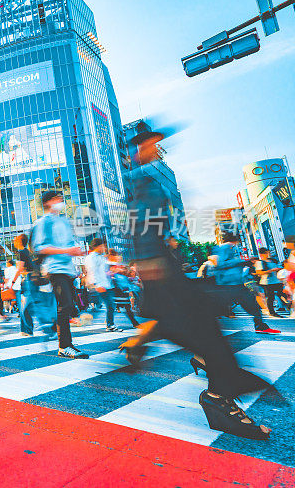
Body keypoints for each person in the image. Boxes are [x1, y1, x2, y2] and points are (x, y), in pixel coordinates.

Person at [120, 127, 273, 440]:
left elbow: (149, 223)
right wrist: (150, 261)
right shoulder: (138, 180)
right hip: (159, 270)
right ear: (140, 146)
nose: (159, 147)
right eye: (153, 142)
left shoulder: (145, 179)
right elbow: (137, 223)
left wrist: (169, 244)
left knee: (198, 321)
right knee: (200, 324)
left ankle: (214, 382)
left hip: (163, 266)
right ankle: (219, 394)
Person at [32, 190, 88, 359]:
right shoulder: (43, 222)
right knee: (64, 306)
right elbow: (40, 248)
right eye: (58, 199)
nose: (61, 202)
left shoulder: (63, 221)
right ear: (48, 202)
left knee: (69, 306)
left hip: (68, 270)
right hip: (55, 269)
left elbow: (70, 246)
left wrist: (76, 253)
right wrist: (67, 250)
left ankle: (66, 343)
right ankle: (64, 346)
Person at [212, 234, 279, 334]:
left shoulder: (227, 248)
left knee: (251, 305)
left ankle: (260, 326)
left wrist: (242, 262)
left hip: (233, 284)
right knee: (252, 305)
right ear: (235, 241)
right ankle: (260, 326)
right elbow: (220, 264)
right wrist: (241, 262)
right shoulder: (225, 247)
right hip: (231, 284)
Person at [84, 238, 122, 332]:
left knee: (110, 305)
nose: (104, 248)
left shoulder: (100, 257)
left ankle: (109, 323)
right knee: (109, 304)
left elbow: (105, 267)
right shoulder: (91, 257)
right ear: (98, 246)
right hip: (99, 285)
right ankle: (109, 325)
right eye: (102, 246)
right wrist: (97, 284)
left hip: (106, 284)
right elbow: (92, 271)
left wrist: (114, 267)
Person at [255, 248, 286, 318]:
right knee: (270, 297)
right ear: (262, 254)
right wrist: (271, 270)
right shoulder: (260, 262)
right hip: (267, 282)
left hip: (277, 281)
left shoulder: (273, 260)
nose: (268, 254)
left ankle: (287, 305)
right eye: (266, 253)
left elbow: (279, 267)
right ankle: (272, 312)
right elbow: (258, 272)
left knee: (282, 293)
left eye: (268, 252)